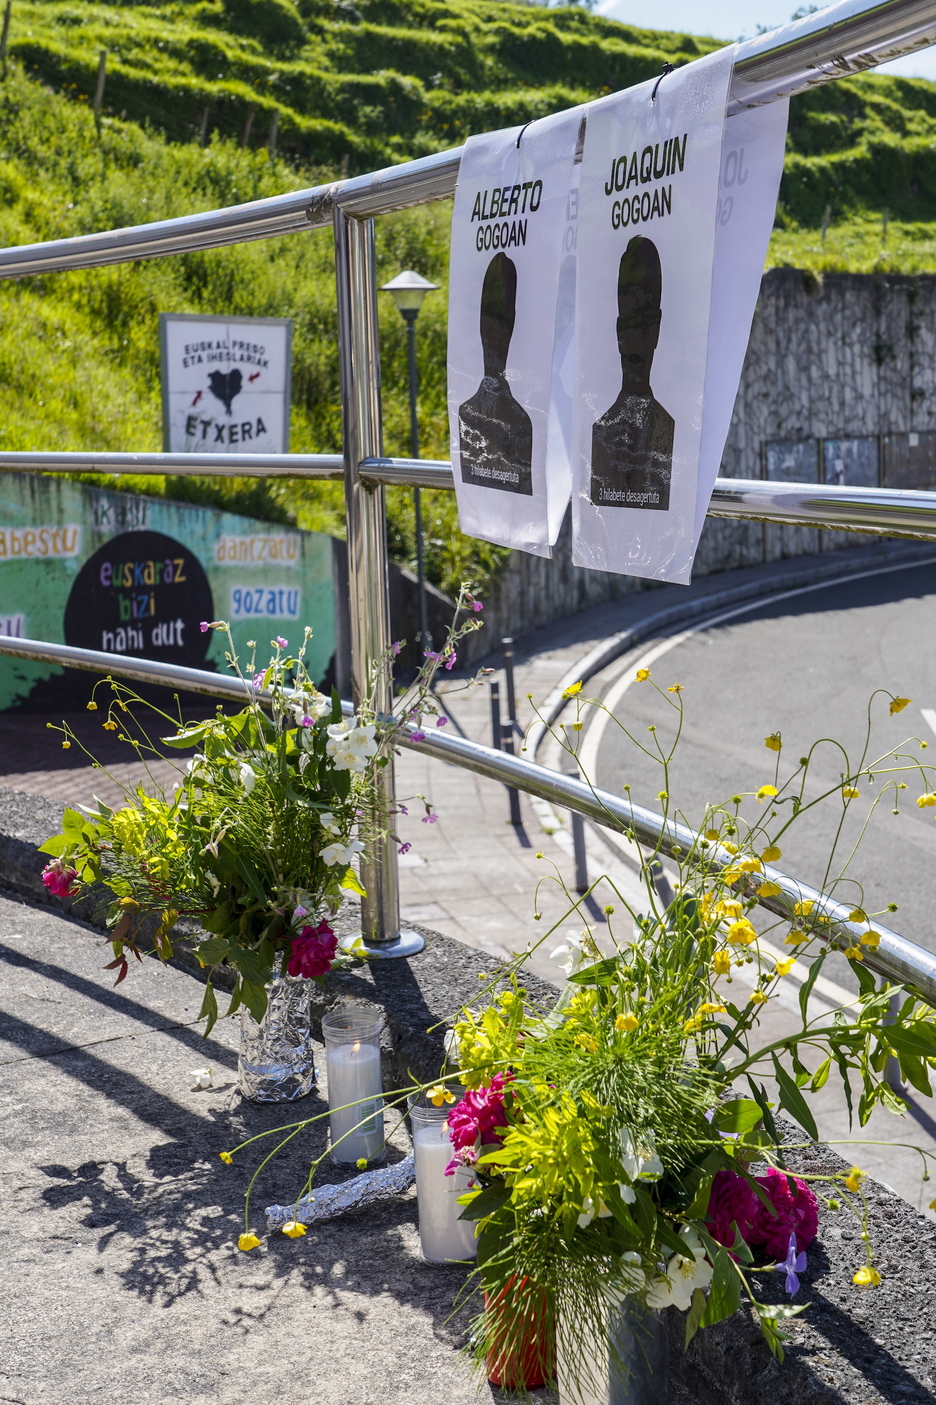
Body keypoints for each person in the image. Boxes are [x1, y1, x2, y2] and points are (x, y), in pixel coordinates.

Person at [590, 235, 674, 511]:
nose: (635, 335)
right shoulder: (601, 429)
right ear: (618, 330)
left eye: (644, 322)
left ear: (657, 328)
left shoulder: (666, 426)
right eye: (629, 322)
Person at [459, 252, 533, 496]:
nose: (492, 330)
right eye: (488, 316)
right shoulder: (468, 412)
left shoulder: (521, 421)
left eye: (499, 319)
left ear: (511, 324)